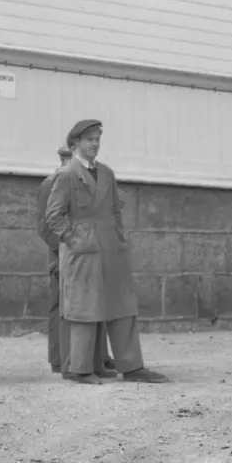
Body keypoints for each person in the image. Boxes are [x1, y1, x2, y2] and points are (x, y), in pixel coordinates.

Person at [45, 120, 167, 385]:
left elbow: (114, 210)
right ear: (74, 143)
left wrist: (120, 240)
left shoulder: (107, 174)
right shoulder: (66, 175)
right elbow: (53, 216)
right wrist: (74, 239)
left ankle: (132, 366)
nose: (94, 144)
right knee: (83, 308)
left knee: (122, 305)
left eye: (97, 139)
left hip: (112, 247)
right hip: (83, 250)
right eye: (89, 139)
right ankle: (78, 369)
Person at [37, 145, 114, 376]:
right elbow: (46, 224)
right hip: (64, 254)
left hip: (85, 252)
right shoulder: (54, 182)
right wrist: (66, 246)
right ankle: (61, 359)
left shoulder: (87, 180)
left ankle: (95, 359)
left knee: (90, 305)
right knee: (63, 309)